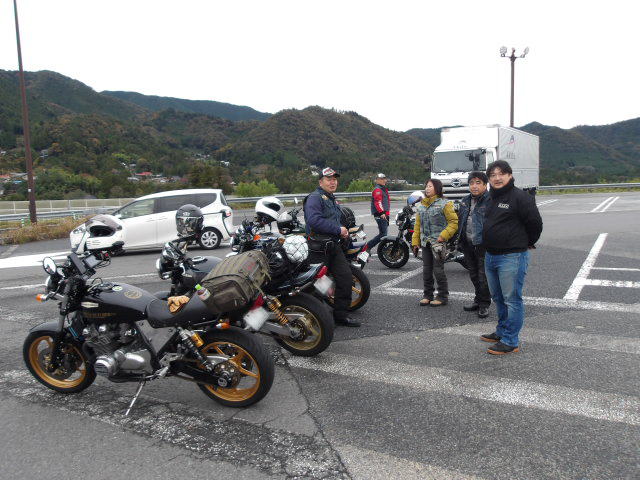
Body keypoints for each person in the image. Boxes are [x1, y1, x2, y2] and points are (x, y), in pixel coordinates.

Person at [481, 160, 543, 355]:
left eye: (501, 173)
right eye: (492, 175)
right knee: (498, 298)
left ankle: (510, 340)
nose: (497, 178)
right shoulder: (490, 197)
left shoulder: (520, 197)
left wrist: (526, 242)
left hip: (512, 256)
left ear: (510, 175)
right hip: (491, 255)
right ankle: (502, 331)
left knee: (512, 299)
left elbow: (535, 224)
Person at [303, 167, 360, 327]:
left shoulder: (330, 198)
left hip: (333, 246)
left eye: (335, 179)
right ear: (320, 182)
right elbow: (314, 220)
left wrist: (343, 231)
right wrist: (337, 229)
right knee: (318, 285)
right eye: (329, 179)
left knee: (345, 278)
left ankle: (341, 316)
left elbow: (333, 219)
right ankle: (313, 319)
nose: (333, 182)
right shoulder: (315, 198)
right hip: (318, 249)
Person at [411, 179, 458, 307]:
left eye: (430, 186)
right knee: (426, 270)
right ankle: (427, 295)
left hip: (438, 244)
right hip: (425, 243)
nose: (427, 188)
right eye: (426, 186)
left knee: (438, 270)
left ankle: (442, 296)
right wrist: (415, 242)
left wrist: (443, 236)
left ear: (437, 188)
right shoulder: (421, 206)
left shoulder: (445, 203)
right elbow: (417, 226)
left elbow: (454, 222)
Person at [457, 172, 491, 318]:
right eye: (471, 183)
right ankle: (478, 300)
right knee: (473, 275)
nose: (474, 186)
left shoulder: (491, 200)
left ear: (485, 184)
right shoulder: (465, 200)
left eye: (478, 183)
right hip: (467, 243)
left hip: (483, 245)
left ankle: (484, 304)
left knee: (483, 277)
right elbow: (461, 220)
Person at [366, 173, 390, 251]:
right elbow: (378, 202)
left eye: (384, 179)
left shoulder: (382, 189)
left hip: (383, 214)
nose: (384, 180)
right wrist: (382, 213)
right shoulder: (378, 190)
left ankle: (384, 249)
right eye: (381, 179)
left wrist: (386, 214)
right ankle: (367, 247)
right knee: (383, 234)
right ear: (377, 180)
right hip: (380, 214)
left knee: (383, 234)